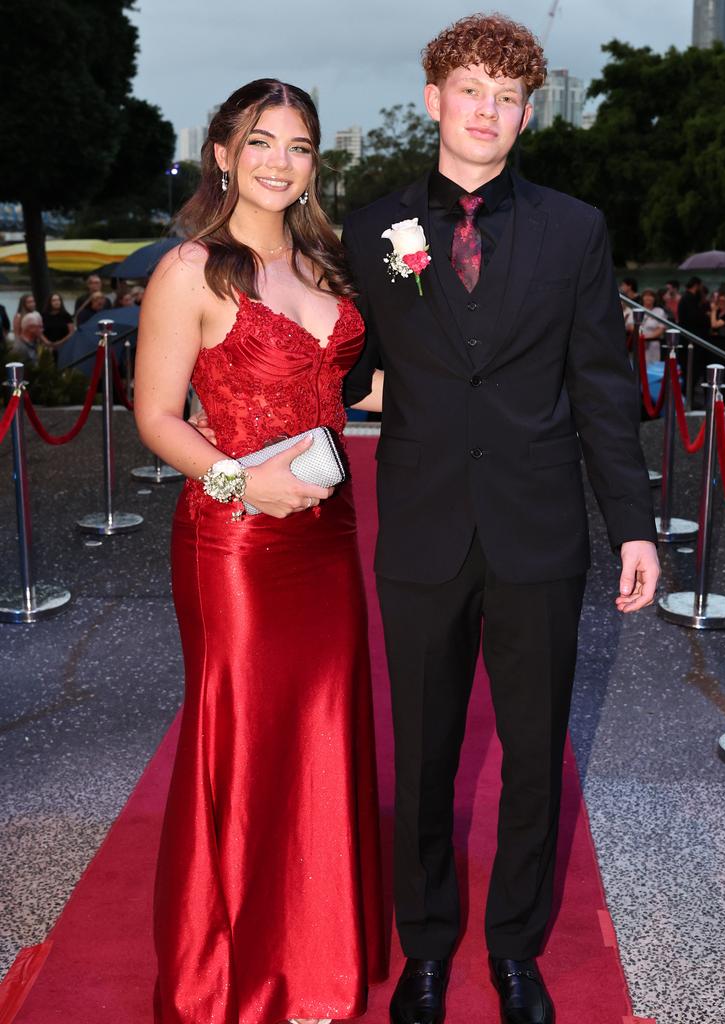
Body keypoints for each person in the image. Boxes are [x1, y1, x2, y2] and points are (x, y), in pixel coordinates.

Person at [340, 15, 659, 1024]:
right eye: (469, 90)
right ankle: (425, 948)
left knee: (532, 751)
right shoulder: (370, 225)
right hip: (423, 530)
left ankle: (514, 947)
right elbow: (337, 356)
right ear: (434, 97)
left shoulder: (573, 228)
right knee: (425, 754)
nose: (487, 112)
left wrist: (635, 526)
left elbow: (601, 387)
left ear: (528, 113)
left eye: (507, 97)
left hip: (538, 533)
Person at [134, 79, 386, 1024]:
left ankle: (315, 963)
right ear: (224, 155)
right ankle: (231, 979)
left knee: (322, 736)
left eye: (301, 145)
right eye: (262, 141)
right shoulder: (191, 270)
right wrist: (243, 482)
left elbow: (353, 395)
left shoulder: (332, 265)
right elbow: (156, 416)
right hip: (235, 542)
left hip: (328, 536)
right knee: (243, 747)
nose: (282, 161)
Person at [677, 276, 710, 404]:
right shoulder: (689, 299)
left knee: (691, 371)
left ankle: (688, 397)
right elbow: (693, 318)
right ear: (696, 285)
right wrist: (706, 316)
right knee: (691, 370)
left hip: (691, 339)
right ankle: (688, 398)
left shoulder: (688, 299)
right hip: (692, 340)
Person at [41, 292, 75, 362]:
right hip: (48, 346)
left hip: (64, 346)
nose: (57, 302)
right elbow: (39, 331)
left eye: (58, 300)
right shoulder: (44, 315)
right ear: (49, 302)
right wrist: (47, 342)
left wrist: (59, 343)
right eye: (54, 300)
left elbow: (71, 332)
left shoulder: (66, 315)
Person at [637, 287, 665, 363]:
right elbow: (631, 326)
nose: (648, 298)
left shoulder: (659, 311)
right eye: (646, 295)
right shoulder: (637, 310)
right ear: (642, 298)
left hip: (654, 344)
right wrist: (641, 337)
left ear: (654, 298)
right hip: (639, 342)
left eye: (651, 296)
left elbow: (661, 329)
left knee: (653, 365)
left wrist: (646, 338)